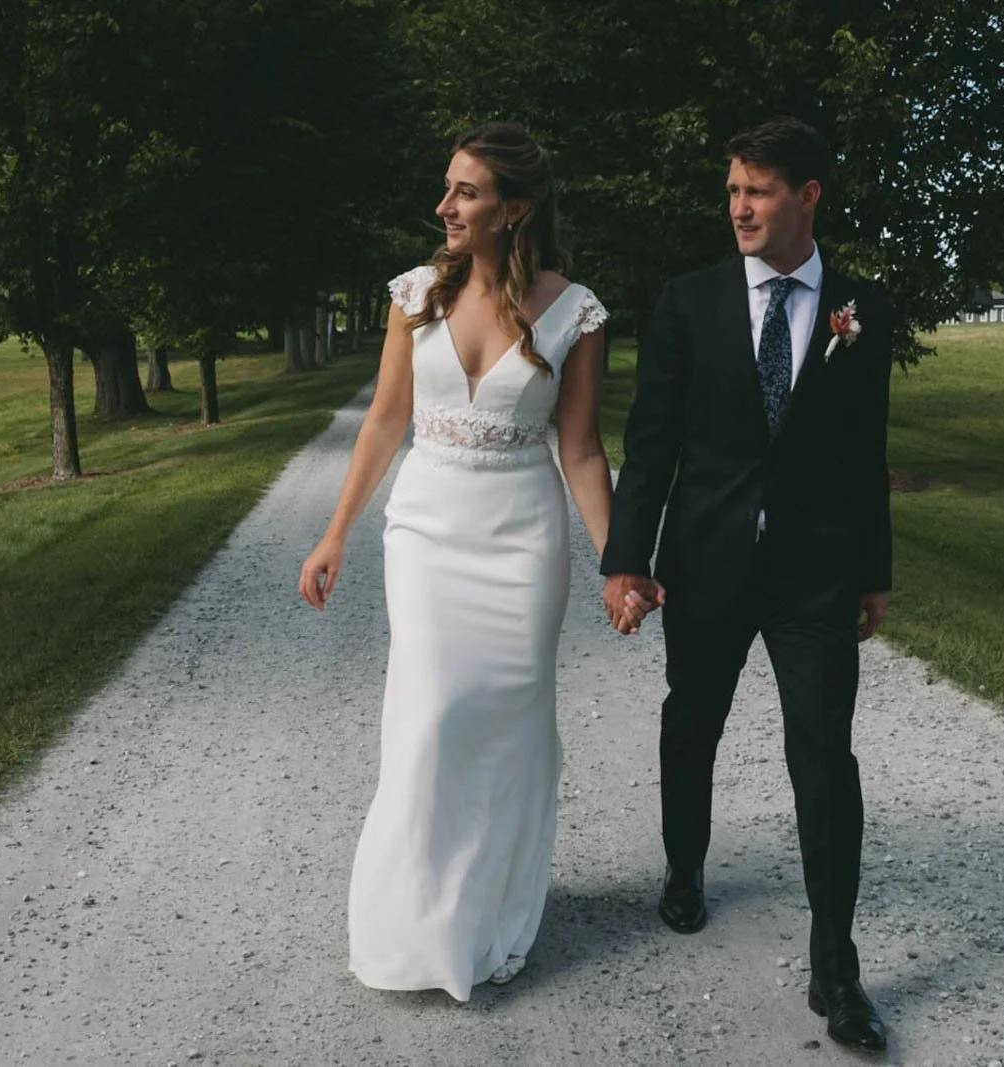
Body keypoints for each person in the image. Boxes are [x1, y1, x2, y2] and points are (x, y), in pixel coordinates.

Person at [298, 122, 612, 1001]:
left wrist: (618, 562)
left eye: (465, 192)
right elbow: (383, 423)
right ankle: (413, 922)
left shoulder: (575, 311)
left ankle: (492, 909)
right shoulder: (414, 297)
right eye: (447, 189)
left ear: (514, 209)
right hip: (429, 530)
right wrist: (335, 533)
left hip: (524, 538)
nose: (444, 206)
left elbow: (582, 451)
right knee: (432, 714)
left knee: (507, 725)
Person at [599, 116, 894, 1051]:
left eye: (758, 191)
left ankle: (835, 967)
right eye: (733, 190)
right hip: (707, 562)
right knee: (693, 722)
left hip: (815, 573)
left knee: (825, 758)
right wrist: (626, 560)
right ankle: (685, 867)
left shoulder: (861, 308)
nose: (739, 206)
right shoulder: (687, 303)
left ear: (807, 197)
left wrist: (874, 574)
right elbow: (650, 446)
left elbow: (865, 452)